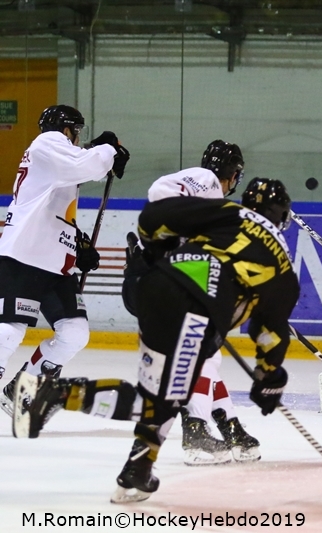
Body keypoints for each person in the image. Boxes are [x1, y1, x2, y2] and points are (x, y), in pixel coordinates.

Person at [14, 178, 298, 504]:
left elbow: (155, 216)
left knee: (160, 397)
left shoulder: (225, 211)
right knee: (156, 403)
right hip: (196, 313)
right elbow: (269, 333)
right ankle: (56, 393)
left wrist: (155, 249)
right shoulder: (282, 265)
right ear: (281, 216)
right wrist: (269, 378)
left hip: (153, 287)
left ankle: (138, 469)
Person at [0, 104, 129, 414]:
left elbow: (57, 207)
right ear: (66, 128)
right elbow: (87, 166)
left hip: (55, 263)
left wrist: (76, 242)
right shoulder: (46, 143)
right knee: (8, 331)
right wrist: (108, 149)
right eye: (77, 131)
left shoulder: (55, 159)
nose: (77, 137)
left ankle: (22, 388)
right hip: (24, 255)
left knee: (74, 333)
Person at [144, 140, 260, 466]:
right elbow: (159, 191)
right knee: (204, 358)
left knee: (209, 358)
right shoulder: (207, 183)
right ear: (231, 173)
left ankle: (230, 426)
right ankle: (195, 433)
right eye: (235, 175)